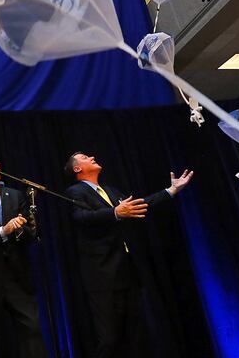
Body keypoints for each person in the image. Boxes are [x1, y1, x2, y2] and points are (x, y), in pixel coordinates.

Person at [63, 152, 194, 358]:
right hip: (101, 274)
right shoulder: (75, 191)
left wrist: (171, 191)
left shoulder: (111, 191)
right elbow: (81, 217)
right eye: (85, 157)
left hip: (126, 270)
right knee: (109, 338)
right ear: (77, 168)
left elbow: (140, 204)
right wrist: (115, 213)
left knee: (136, 334)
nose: (92, 157)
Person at [0, 155, 47, 358]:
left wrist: (20, 228)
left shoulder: (15, 195)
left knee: (32, 327)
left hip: (17, 275)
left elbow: (31, 231)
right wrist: (3, 230)